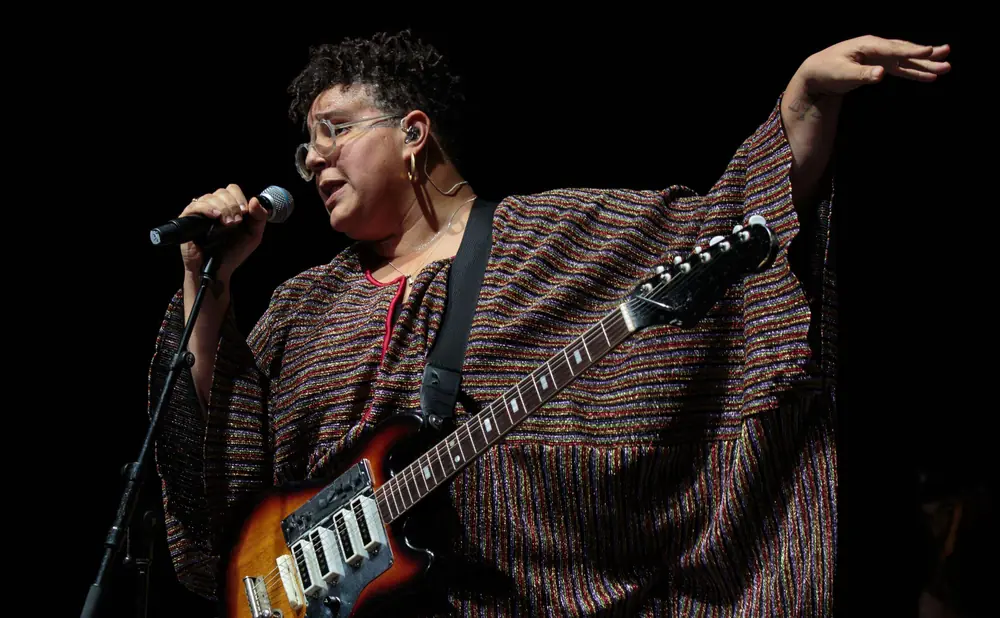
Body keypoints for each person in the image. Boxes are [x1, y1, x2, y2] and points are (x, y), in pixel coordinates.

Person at [147, 30, 950, 616]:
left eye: (335, 131)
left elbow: (727, 231)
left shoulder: (553, 235)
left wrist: (803, 99)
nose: (314, 159)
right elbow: (209, 458)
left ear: (415, 133)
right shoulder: (299, 306)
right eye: (303, 148)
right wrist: (205, 284)